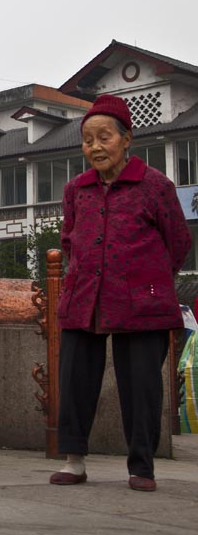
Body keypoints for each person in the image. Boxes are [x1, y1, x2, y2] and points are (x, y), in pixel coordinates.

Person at [50, 94, 190, 491]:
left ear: (127, 139)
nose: (95, 146)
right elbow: (70, 239)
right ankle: (74, 461)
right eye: (88, 139)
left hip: (142, 301)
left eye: (104, 137)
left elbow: (177, 242)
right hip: (84, 297)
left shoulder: (156, 185)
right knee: (75, 379)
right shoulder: (77, 189)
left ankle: (141, 467)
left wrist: (149, 280)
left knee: (141, 384)